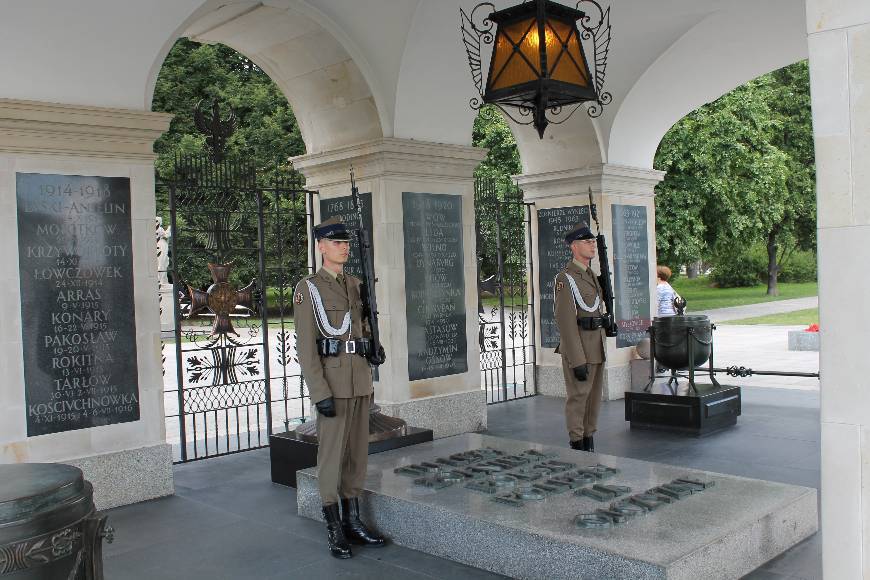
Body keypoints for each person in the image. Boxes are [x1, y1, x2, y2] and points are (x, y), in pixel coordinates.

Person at [294, 216, 386, 559]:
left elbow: (361, 327)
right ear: (320, 246)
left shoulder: (355, 284)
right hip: (332, 384)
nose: (344, 248)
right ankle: (334, 526)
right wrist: (320, 393)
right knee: (331, 457)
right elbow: (306, 347)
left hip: (359, 379)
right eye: (336, 243)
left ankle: (353, 520)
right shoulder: (310, 289)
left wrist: (375, 348)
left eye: (346, 243)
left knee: (356, 456)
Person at [554, 223, 607, 452]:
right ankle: (577, 443)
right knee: (578, 398)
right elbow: (565, 323)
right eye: (587, 241)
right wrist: (577, 359)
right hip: (580, 350)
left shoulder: (591, 276)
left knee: (593, 399)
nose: (593, 244)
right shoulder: (565, 278)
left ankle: (589, 438)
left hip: (596, 346)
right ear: (574, 247)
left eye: (593, 241)